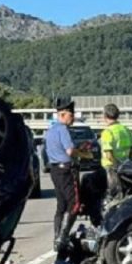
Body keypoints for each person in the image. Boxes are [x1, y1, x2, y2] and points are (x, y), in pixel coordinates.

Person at [45, 99, 80, 254]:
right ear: (63, 115)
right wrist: (83, 153)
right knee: (74, 204)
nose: (73, 118)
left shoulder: (50, 131)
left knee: (61, 205)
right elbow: (69, 151)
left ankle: (57, 238)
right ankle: (62, 238)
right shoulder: (63, 130)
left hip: (54, 170)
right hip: (66, 170)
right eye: (71, 115)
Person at [100, 103, 132, 199]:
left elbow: (108, 154)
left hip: (112, 169)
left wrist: (116, 166)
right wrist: (131, 165)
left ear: (105, 116)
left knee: (113, 195)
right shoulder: (126, 130)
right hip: (126, 167)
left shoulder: (107, 132)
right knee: (125, 194)